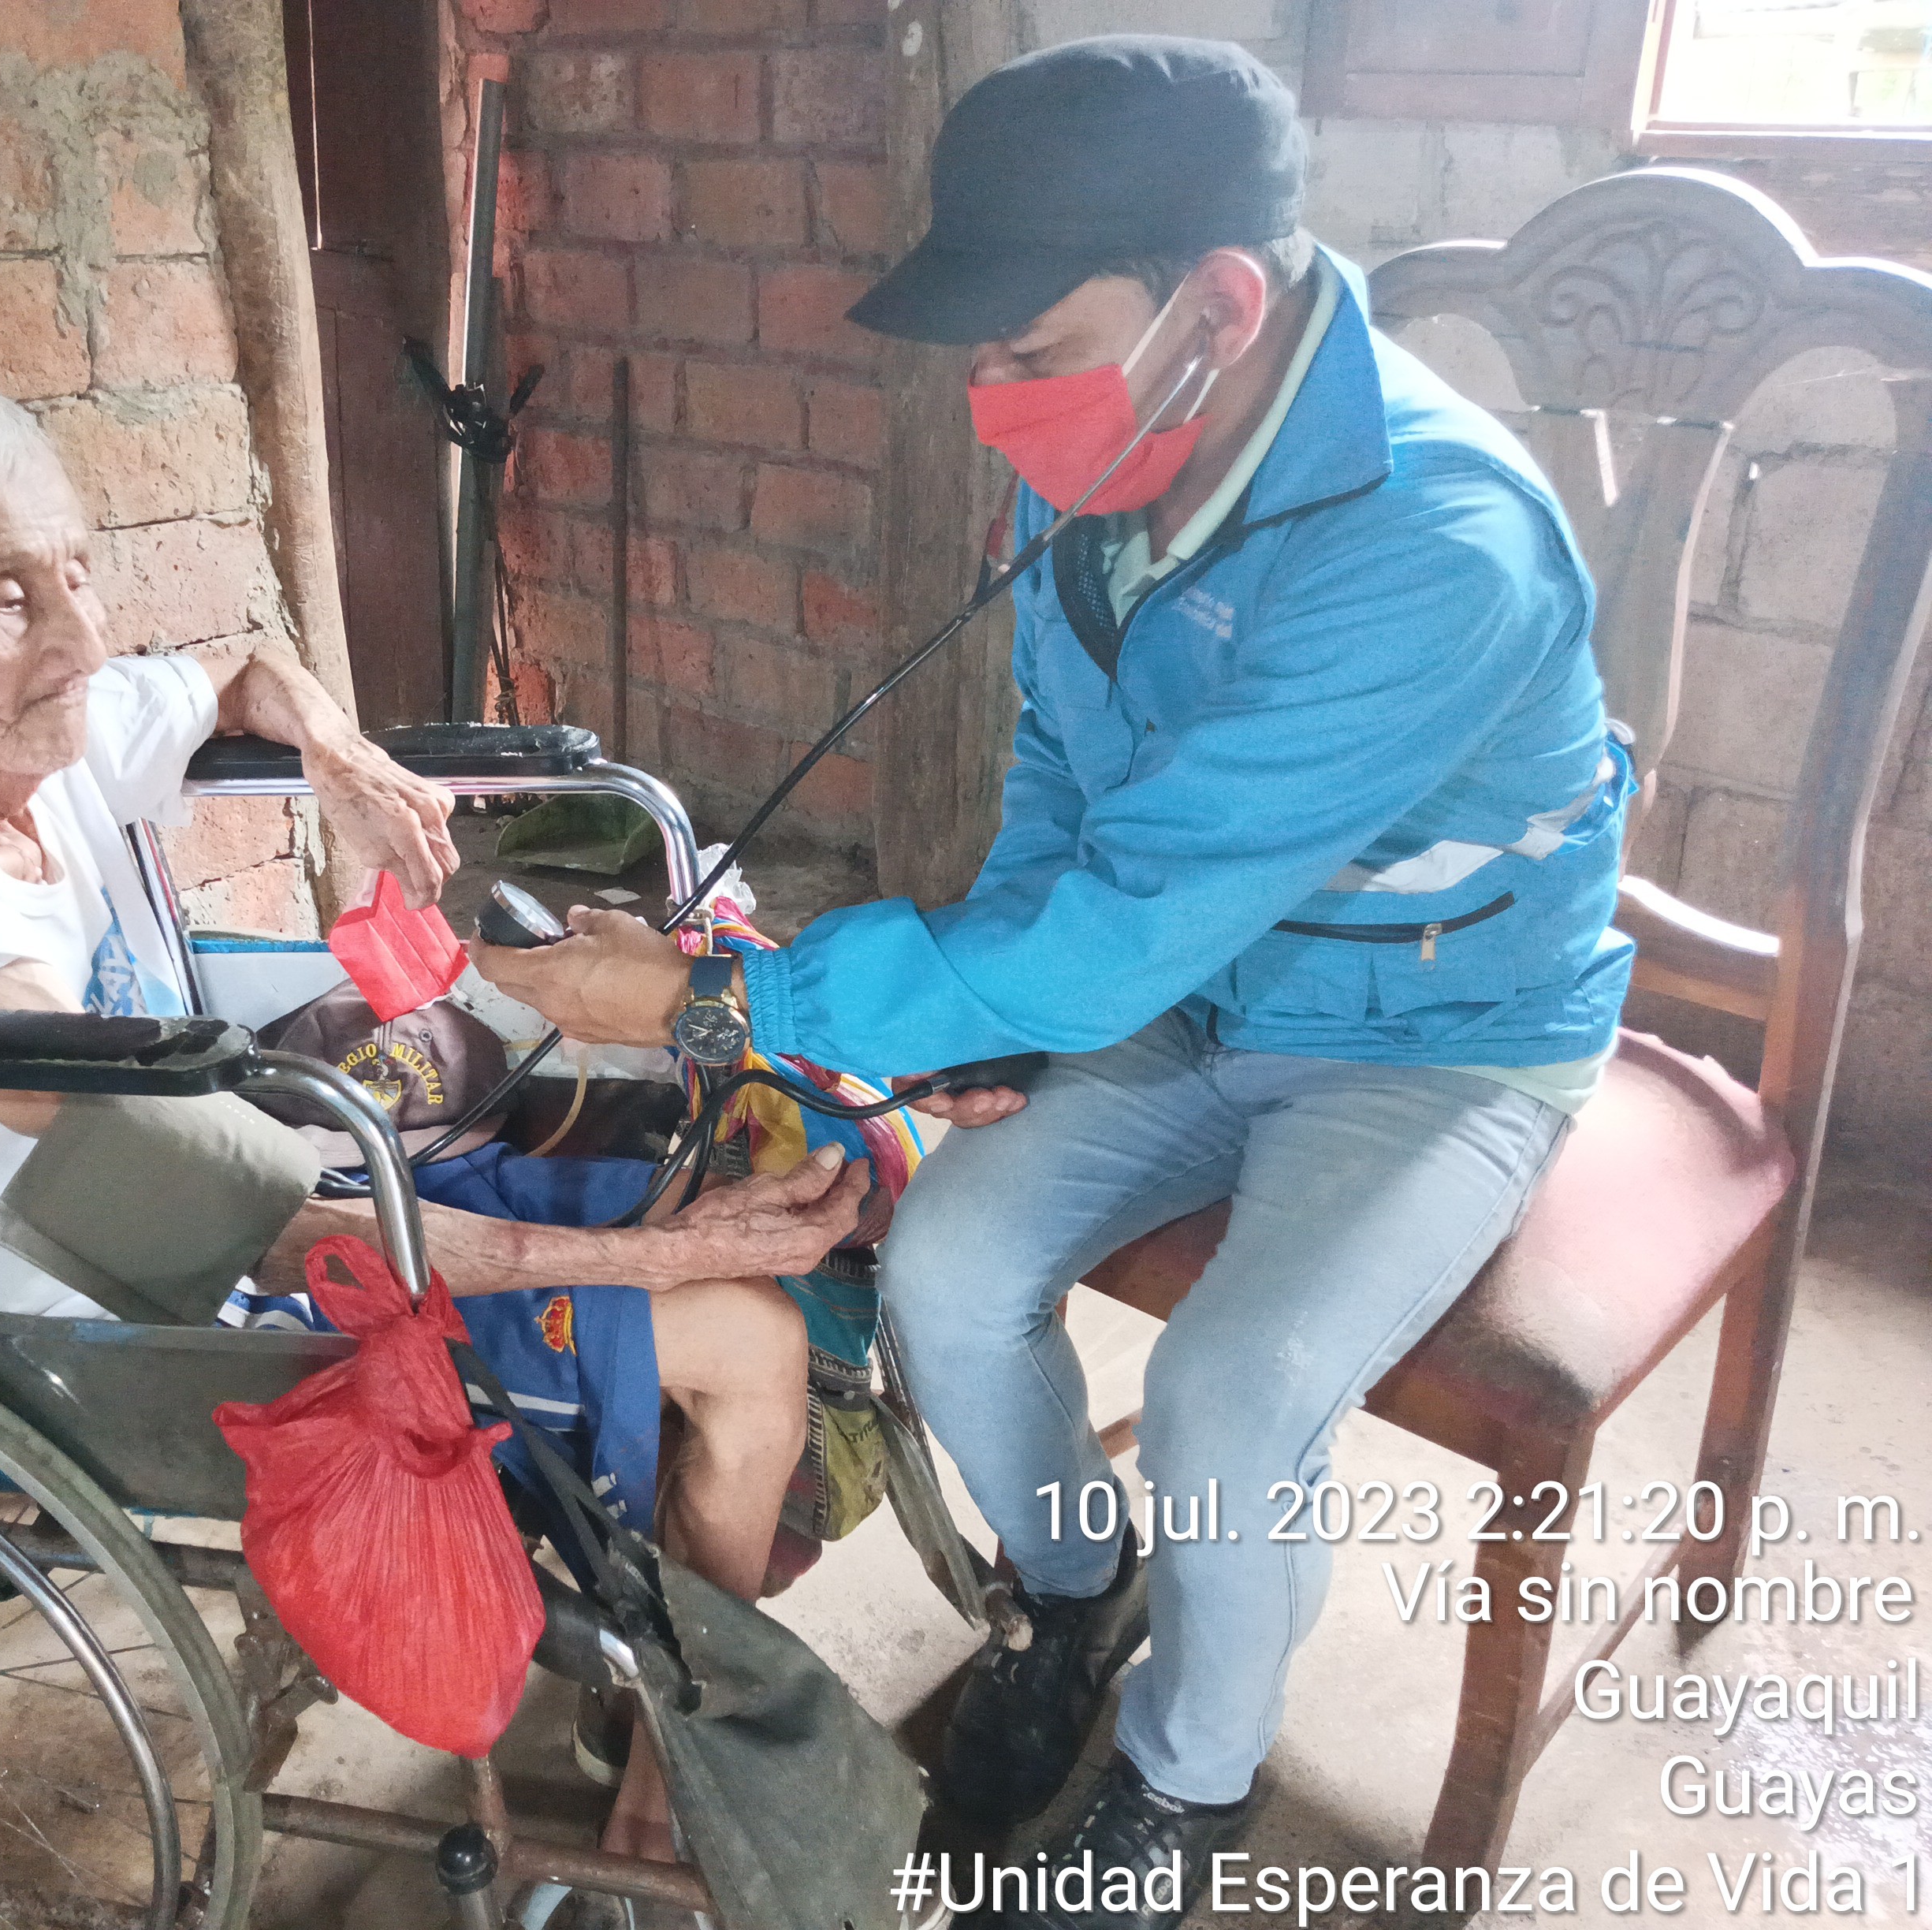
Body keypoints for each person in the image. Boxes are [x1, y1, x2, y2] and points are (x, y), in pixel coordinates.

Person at [474, 35, 1632, 1929]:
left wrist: (716, 1006)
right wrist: (994, 1010)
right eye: (985, 358)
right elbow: (1064, 805)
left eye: (1030, 350)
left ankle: (1187, 1783)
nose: (993, 403)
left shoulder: (1440, 546)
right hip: (1193, 987)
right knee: (945, 1270)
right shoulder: (1118, 460)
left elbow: (1126, 924)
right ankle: (1080, 1596)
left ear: (1219, 306)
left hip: (1435, 1038)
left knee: (1233, 1396)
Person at [0, 368, 866, 1859]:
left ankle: (658, 1651)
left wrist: (341, 760)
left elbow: (249, 675)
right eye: (10, 598)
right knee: (738, 1326)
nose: (82, 641)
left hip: (198, 1211)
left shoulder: (7, 735)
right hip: (76, 1334)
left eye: (76, 571)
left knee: (702, 1164)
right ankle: (669, 1787)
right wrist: (661, 1263)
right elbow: (266, 1221)